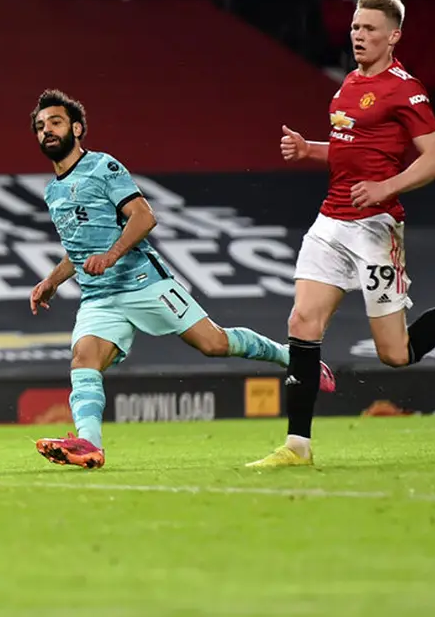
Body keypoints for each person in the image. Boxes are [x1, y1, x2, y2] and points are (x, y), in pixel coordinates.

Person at [247, 0, 435, 468]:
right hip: (330, 221)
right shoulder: (348, 83)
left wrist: (385, 186)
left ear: (394, 37)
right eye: (355, 27)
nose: (358, 36)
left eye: (370, 29)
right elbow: (350, 149)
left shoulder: (405, 89)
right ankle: (297, 447)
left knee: (395, 353)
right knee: (301, 323)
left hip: (375, 228)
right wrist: (310, 148)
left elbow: (434, 159)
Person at [28, 90, 333, 469]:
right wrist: (52, 281)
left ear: (76, 128)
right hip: (99, 298)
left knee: (214, 343)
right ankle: (89, 444)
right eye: (40, 127)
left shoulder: (103, 167)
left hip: (143, 282)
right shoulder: (53, 190)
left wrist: (110, 256)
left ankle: (292, 358)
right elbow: (77, 248)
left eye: (55, 122)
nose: (47, 131)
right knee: (83, 359)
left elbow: (143, 216)